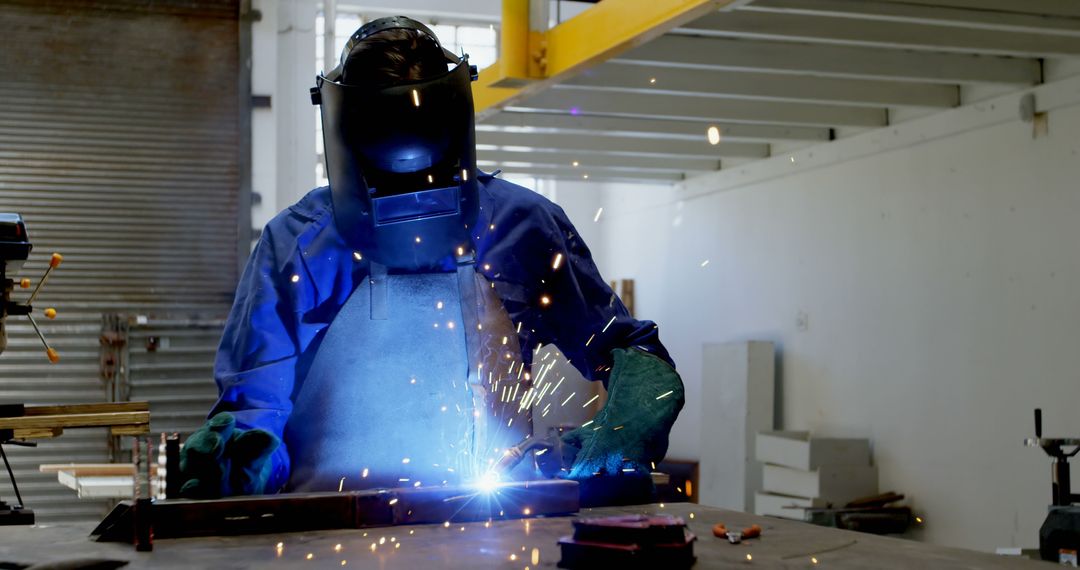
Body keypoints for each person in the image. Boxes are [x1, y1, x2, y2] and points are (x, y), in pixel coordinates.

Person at [179, 16, 684, 505]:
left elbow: (629, 353)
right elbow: (254, 409)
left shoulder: (522, 226)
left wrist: (622, 422)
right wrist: (242, 458)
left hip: (495, 527)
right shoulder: (299, 244)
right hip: (327, 530)